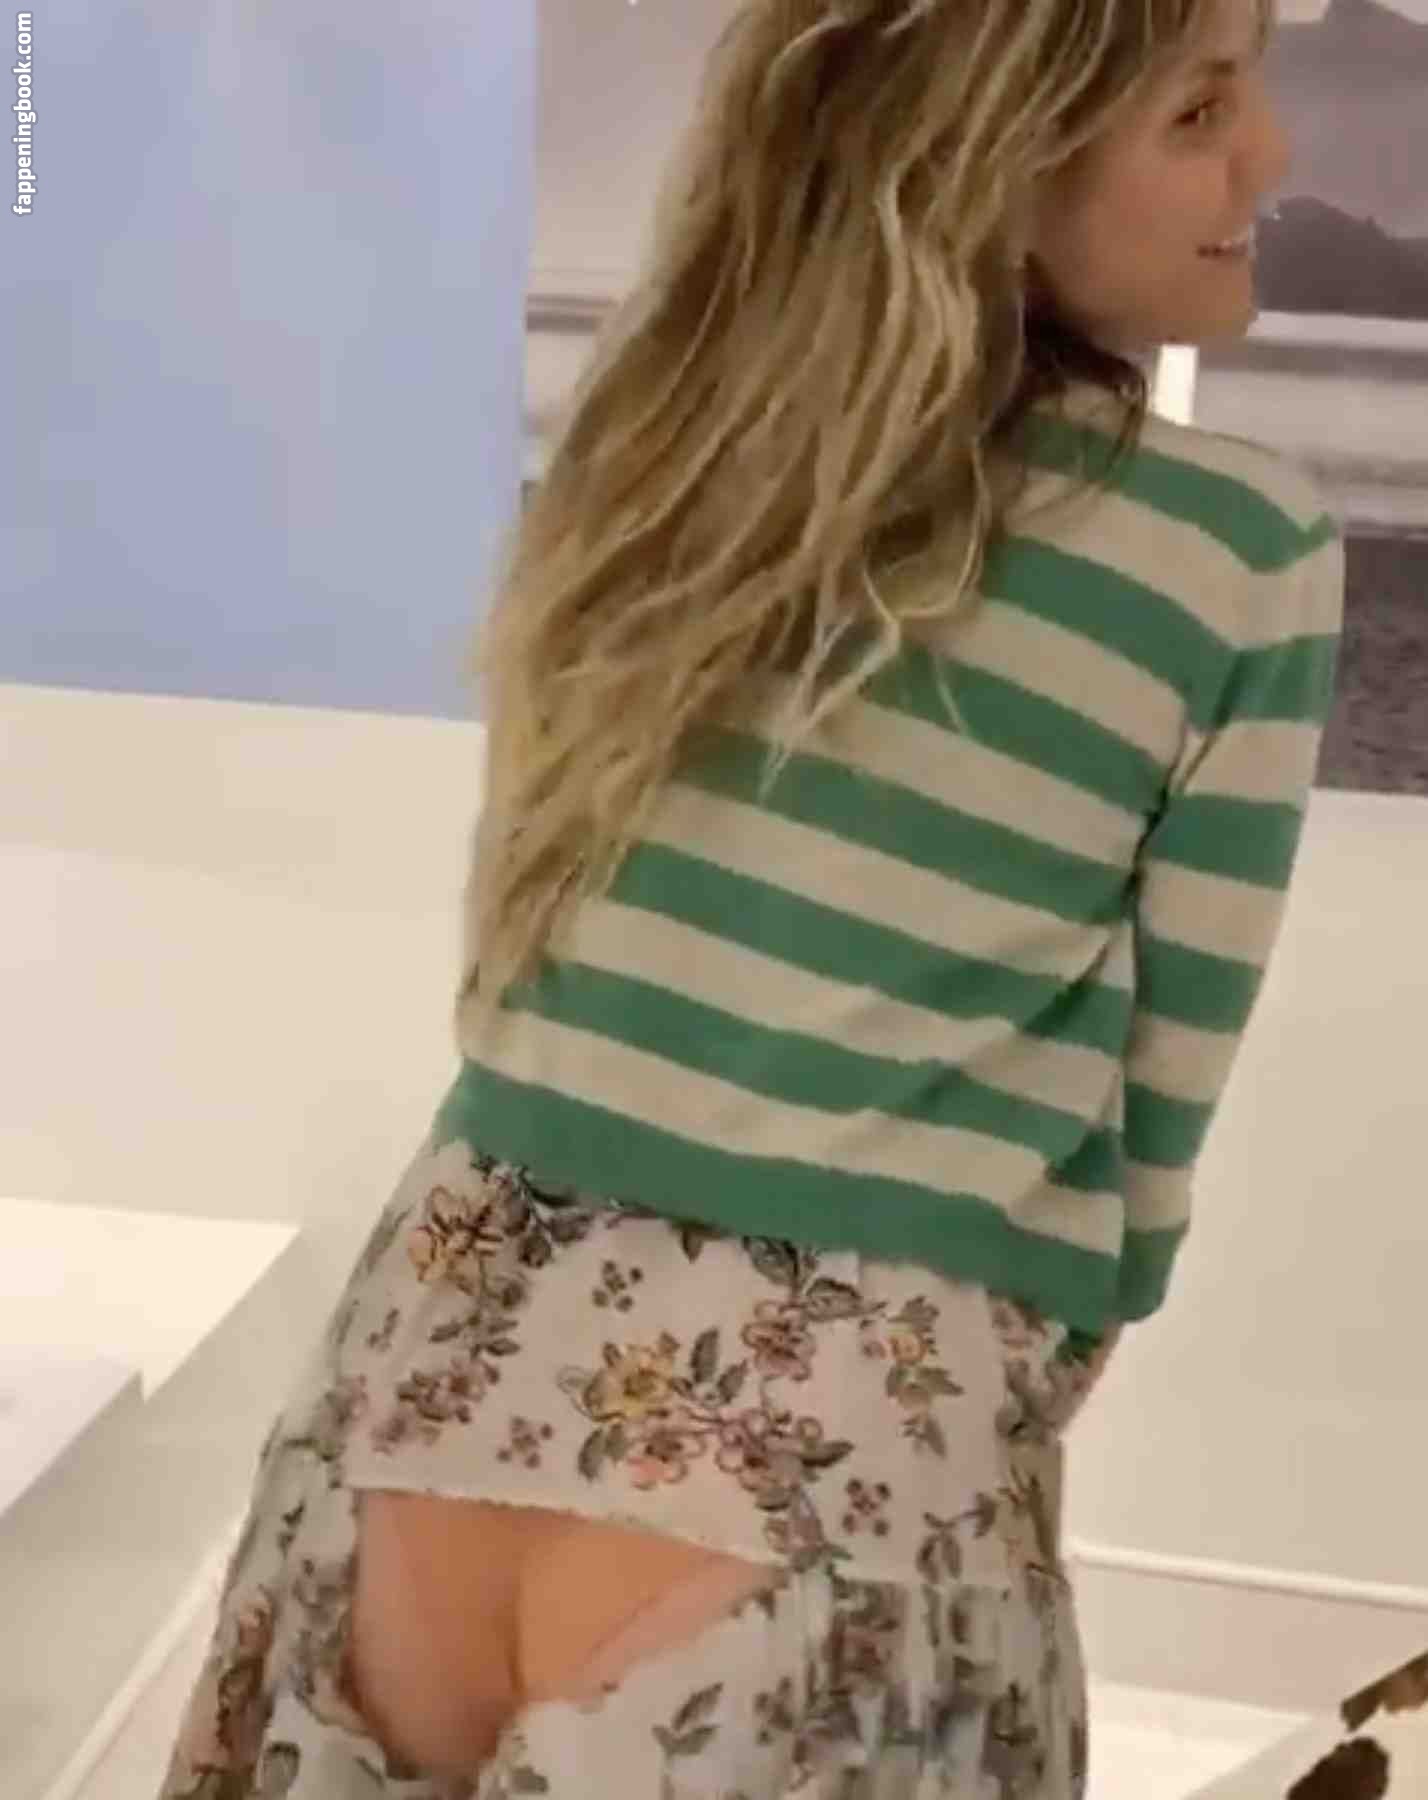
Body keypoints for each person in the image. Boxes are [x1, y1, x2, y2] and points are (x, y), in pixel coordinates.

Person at [156, 0, 1344, 1794]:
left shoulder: (659, 454)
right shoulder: (1240, 552)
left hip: (430, 1359)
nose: (1271, 154)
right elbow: (1162, 1094)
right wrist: (1057, 1342)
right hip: (832, 1469)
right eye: (1199, 109)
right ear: (987, 160)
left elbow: (527, 918)